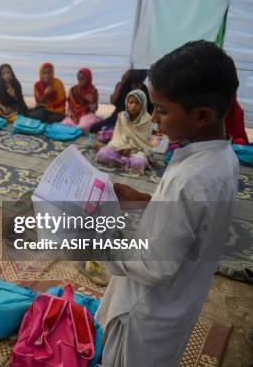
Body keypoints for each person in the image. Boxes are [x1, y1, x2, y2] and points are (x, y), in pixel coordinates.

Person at [96, 41, 240, 366]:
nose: (153, 117)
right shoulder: (221, 158)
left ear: (202, 115)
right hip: (179, 298)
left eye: (161, 109)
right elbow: (189, 223)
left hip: (148, 311)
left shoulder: (190, 179)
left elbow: (154, 266)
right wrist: (145, 201)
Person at [96, 89, 153, 173]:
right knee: (102, 154)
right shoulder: (122, 116)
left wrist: (130, 149)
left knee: (140, 163)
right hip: (120, 148)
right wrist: (122, 148)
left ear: (143, 104)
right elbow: (117, 136)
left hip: (137, 151)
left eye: (137, 103)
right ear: (126, 103)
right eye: (130, 102)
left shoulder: (147, 119)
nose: (133, 106)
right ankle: (125, 162)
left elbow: (145, 142)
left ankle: (118, 162)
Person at [90, 69, 150, 133]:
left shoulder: (144, 89)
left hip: (134, 120)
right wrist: (122, 82)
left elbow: (147, 109)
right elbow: (112, 101)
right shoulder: (123, 85)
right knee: (93, 128)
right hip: (118, 116)